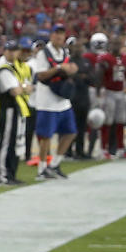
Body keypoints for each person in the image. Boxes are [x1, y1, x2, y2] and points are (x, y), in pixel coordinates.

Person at [29, 24, 79, 180]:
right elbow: (41, 75)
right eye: (57, 34)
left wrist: (71, 69)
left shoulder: (64, 51)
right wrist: (58, 68)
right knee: (46, 137)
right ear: (51, 36)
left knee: (71, 132)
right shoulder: (44, 53)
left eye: (62, 34)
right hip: (47, 101)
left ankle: (55, 164)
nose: (59, 37)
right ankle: (42, 169)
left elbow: (69, 68)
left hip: (62, 100)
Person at [0, 39, 33, 186]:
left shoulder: (14, 67)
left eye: (15, 50)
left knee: (13, 143)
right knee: (5, 143)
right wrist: (23, 87)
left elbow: (27, 87)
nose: (13, 53)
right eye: (10, 50)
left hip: (15, 110)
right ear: (5, 51)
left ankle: (9, 173)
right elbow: (15, 90)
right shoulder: (3, 68)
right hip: (6, 109)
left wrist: (23, 87)